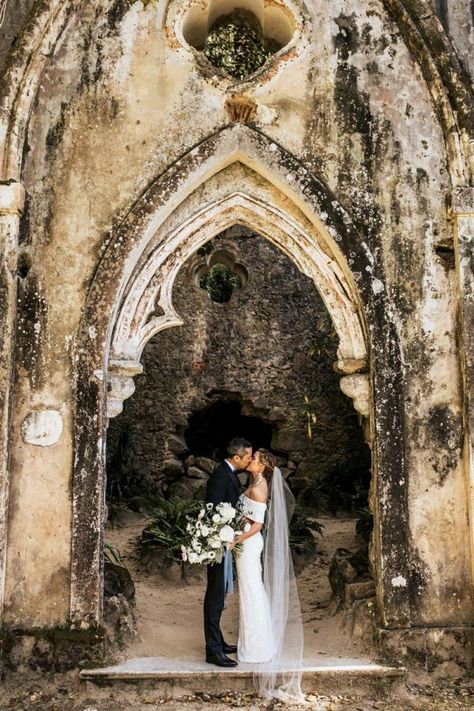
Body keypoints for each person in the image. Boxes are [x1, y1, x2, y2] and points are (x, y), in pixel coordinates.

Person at [231, 448, 305, 703]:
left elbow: (258, 524)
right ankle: (254, 645)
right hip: (244, 543)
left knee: (252, 592)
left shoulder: (260, 487)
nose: (250, 460)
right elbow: (247, 515)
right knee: (251, 592)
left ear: (262, 466)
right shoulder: (255, 482)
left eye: (255, 459)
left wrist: (236, 538)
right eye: (251, 458)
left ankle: (257, 648)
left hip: (248, 545)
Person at [204, 437, 253, 667]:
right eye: (248, 456)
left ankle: (218, 642)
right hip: (217, 545)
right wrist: (223, 537)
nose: (250, 460)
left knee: (219, 594)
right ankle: (213, 651)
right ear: (236, 457)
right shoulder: (220, 475)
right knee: (214, 597)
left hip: (226, 542)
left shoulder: (229, 473)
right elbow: (211, 510)